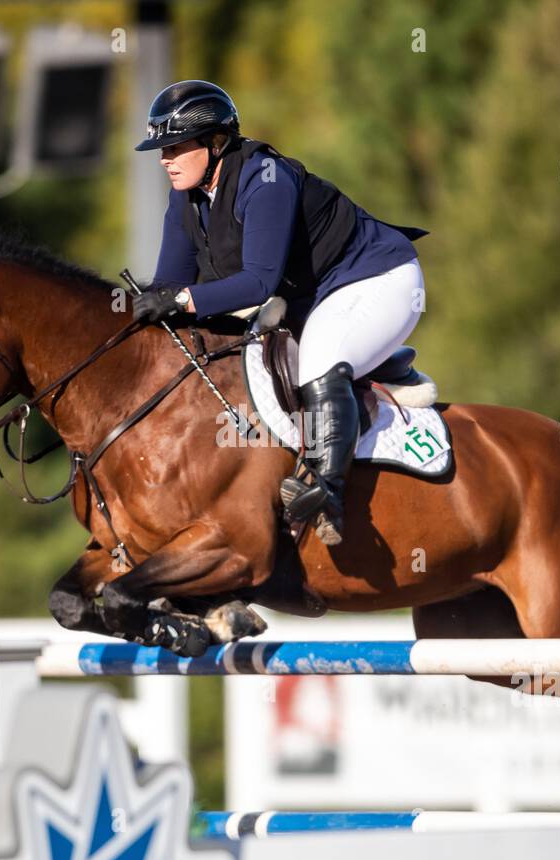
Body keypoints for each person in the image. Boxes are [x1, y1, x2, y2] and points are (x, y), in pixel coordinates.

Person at [132, 80, 428, 545]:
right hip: (314, 300)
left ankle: (328, 494)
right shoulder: (185, 197)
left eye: (176, 146)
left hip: (378, 280)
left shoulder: (264, 178)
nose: (165, 159)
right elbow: (171, 287)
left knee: (320, 359)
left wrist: (182, 300)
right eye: (161, 149)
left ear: (216, 142)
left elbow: (258, 283)